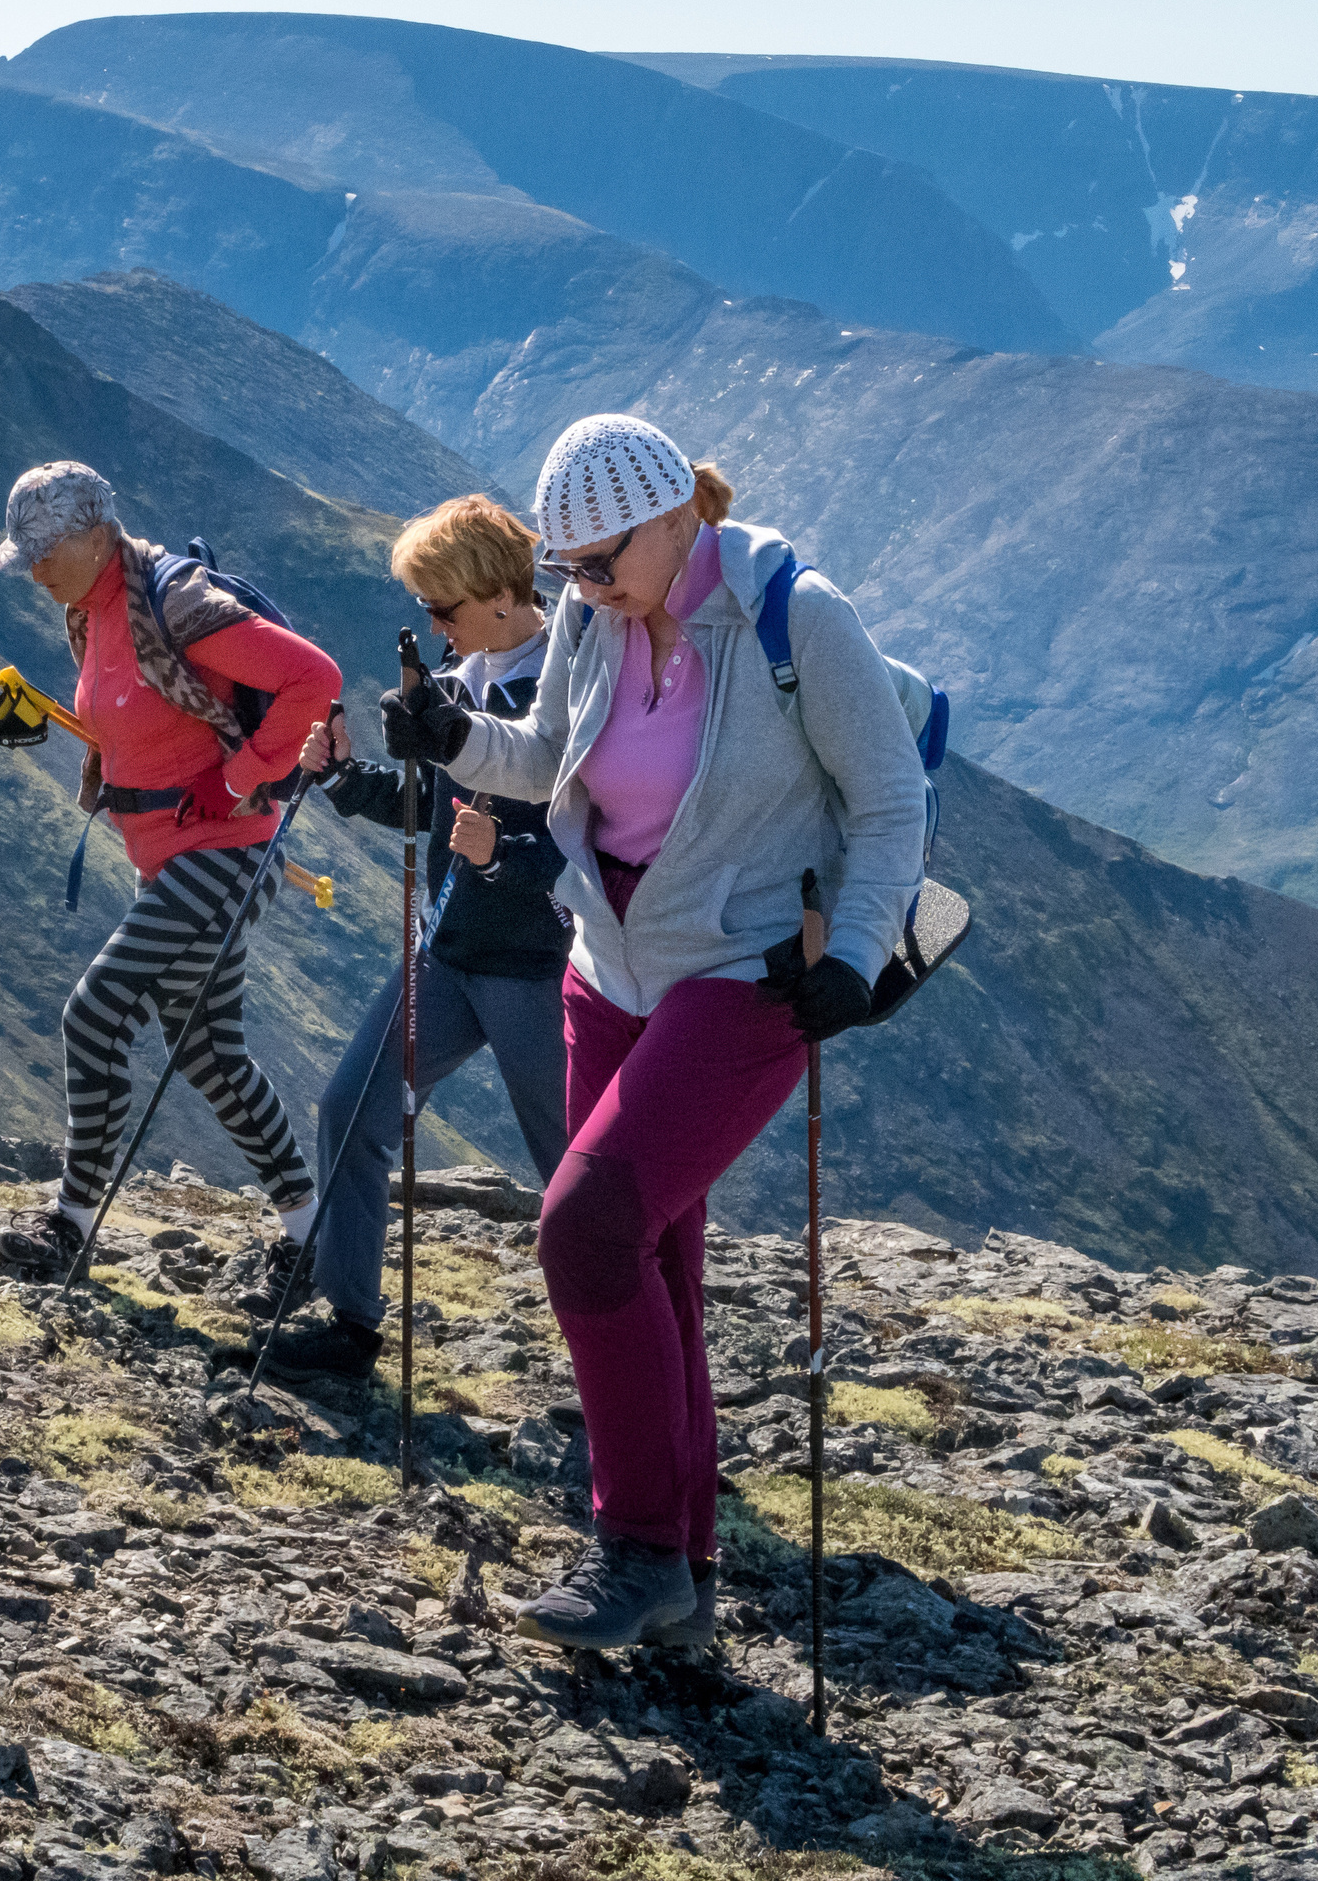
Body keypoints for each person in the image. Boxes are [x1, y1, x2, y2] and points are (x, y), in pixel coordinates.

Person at [384, 415, 925, 1654]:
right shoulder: (592, 618)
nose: (582, 586)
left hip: (744, 973)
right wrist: (452, 740)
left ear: (677, 517)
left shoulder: (796, 617)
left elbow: (889, 800)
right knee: (653, 1261)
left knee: (584, 1231)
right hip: (605, 964)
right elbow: (545, 759)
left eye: (601, 559)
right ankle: (682, 1575)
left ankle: (631, 1546)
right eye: (566, 567)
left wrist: (852, 956)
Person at [0, 462, 342, 1282]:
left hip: (225, 855)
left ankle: (68, 1229)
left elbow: (314, 679)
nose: (34, 572)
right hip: (175, 859)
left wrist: (239, 778)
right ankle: (311, 1239)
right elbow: (139, 722)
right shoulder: (94, 610)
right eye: (25, 557)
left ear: (95, 535)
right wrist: (39, 723)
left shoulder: (176, 602)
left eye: (43, 553)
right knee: (209, 1054)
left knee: (95, 1014)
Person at [250, 495, 573, 1378]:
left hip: (543, 971)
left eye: (442, 605)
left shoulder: (572, 684)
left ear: (500, 595)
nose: (432, 624)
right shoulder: (459, 681)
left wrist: (504, 855)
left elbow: (609, 834)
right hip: (449, 952)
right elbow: (430, 808)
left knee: (578, 1174)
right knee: (349, 1112)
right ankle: (350, 1323)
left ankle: (628, 1379)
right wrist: (342, 776)